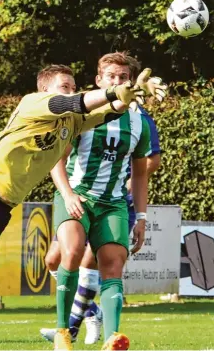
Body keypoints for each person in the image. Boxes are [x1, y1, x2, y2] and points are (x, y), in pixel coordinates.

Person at [0, 65, 166, 331]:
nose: (71, 90)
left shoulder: (72, 122)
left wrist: (130, 94)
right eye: (64, 86)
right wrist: (114, 90)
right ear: (44, 90)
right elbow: (76, 102)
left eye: (73, 85)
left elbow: (106, 113)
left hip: (1, 206)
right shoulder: (34, 103)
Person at [36, 53, 166, 351]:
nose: (117, 82)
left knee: (113, 263)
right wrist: (68, 194)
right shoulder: (81, 113)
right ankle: (62, 332)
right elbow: (57, 157)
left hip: (113, 204)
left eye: (123, 78)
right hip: (77, 196)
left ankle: (112, 338)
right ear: (99, 80)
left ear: (131, 82)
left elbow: (141, 173)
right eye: (111, 77)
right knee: (69, 253)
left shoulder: (140, 123)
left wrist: (143, 218)